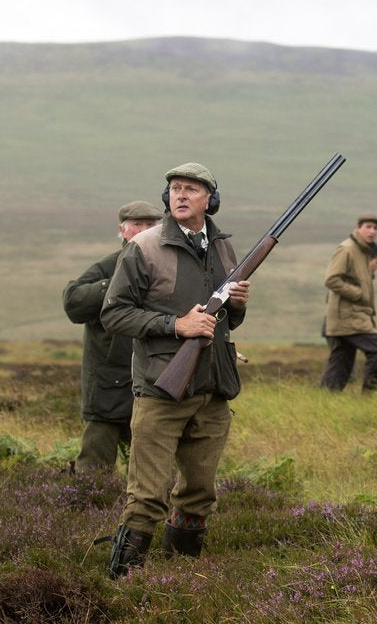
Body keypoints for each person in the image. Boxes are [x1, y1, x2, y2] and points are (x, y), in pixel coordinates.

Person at [99, 162, 251, 578]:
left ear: (210, 200)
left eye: (191, 189)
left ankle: (182, 581)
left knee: (200, 492)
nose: (180, 195)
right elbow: (114, 315)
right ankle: (123, 581)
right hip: (161, 388)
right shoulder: (144, 247)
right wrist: (174, 325)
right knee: (147, 495)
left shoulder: (222, 247)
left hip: (214, 387)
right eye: (174, 189)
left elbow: (227, 323)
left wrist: (236, 305)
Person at [62, 200, 163, 473]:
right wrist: (115, 282)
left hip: (153, 382)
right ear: (123, 230)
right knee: (93, 470)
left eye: (150, 225)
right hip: (107, 385)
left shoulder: (168, 267)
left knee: (153, 468)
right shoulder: (108, 267)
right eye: (136, 225)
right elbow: (73, 302)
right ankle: (84, 514)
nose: (143, 231)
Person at [319, 214, 377, 393]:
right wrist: (358, 294)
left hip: (352, 315)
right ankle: (372, 398)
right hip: (349, 317)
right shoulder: (347, 249)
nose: (372, 231)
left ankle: (324, 399)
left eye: (375, 228)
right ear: (358, 227)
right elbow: (332, 279)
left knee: (341, 363)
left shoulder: (364, 252)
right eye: (368, 227)